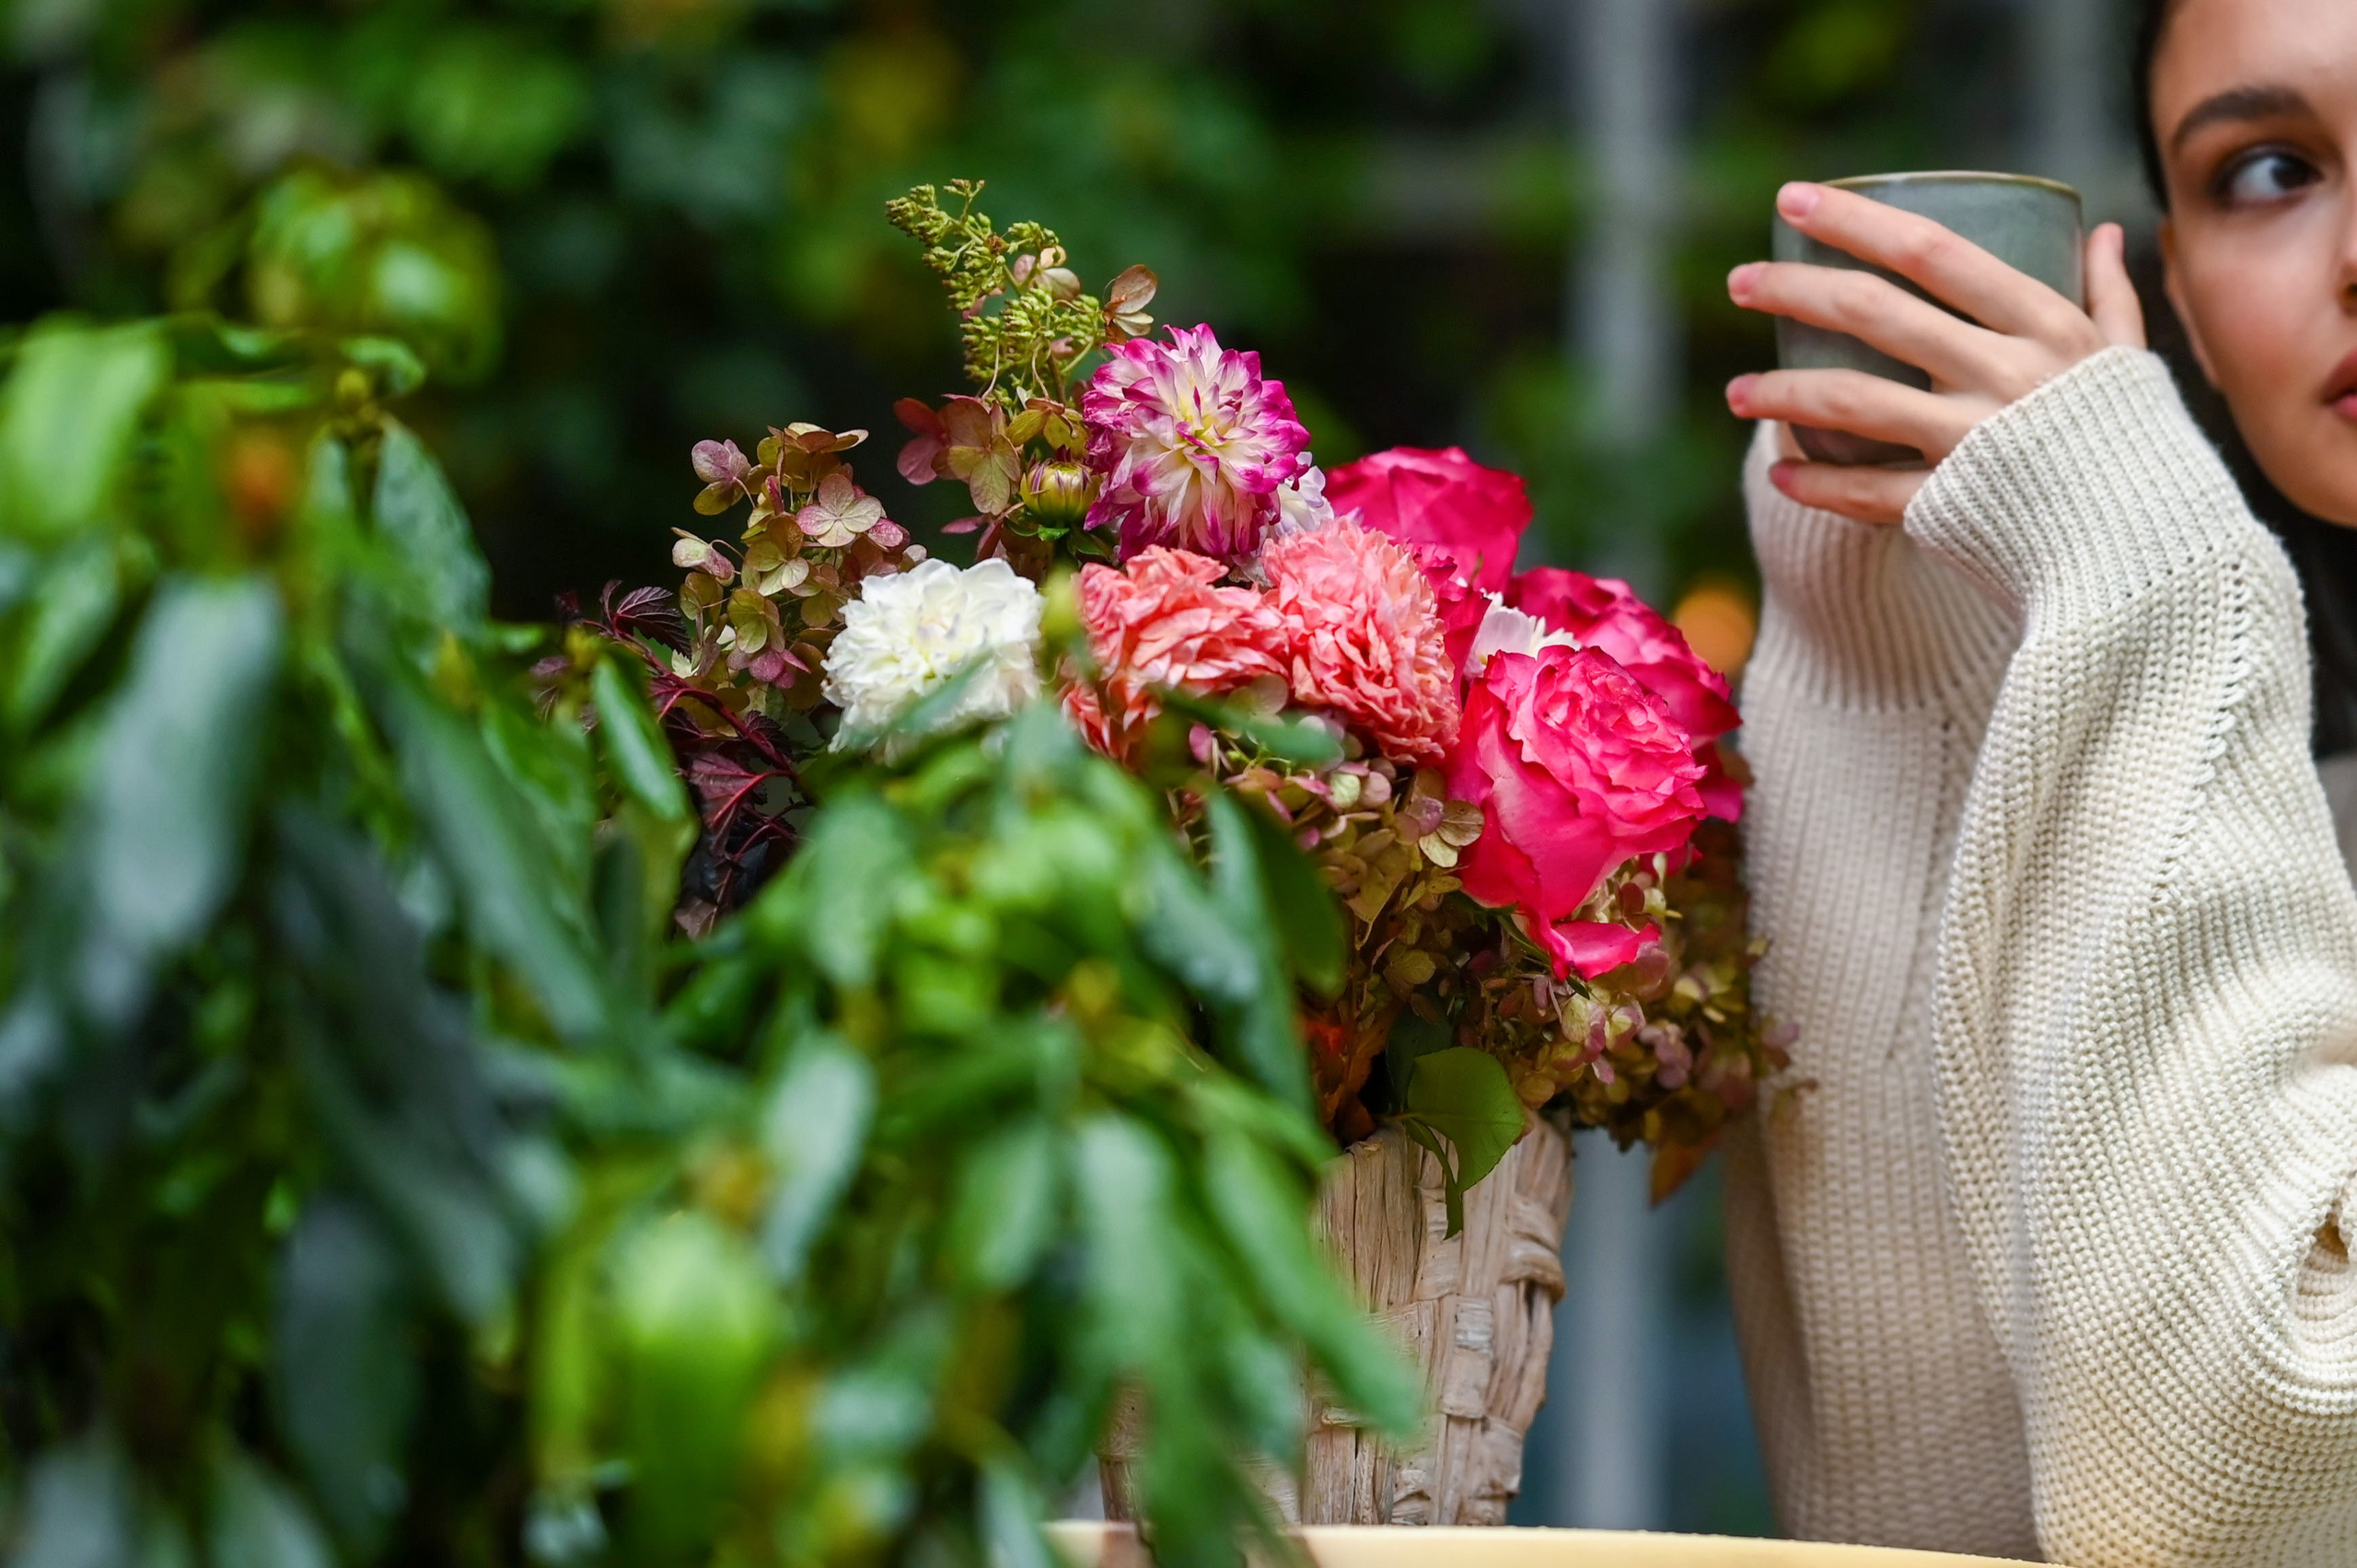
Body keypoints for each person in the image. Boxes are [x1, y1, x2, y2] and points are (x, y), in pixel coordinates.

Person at [1718, 0, 2357, 1561]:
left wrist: (2161, 575)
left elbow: (2236, 1491)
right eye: (2271, 171)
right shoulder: (2277, 818)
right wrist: (1887, 660)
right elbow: (1926, 1518)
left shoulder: (2186, 662)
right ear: (2184, 305)